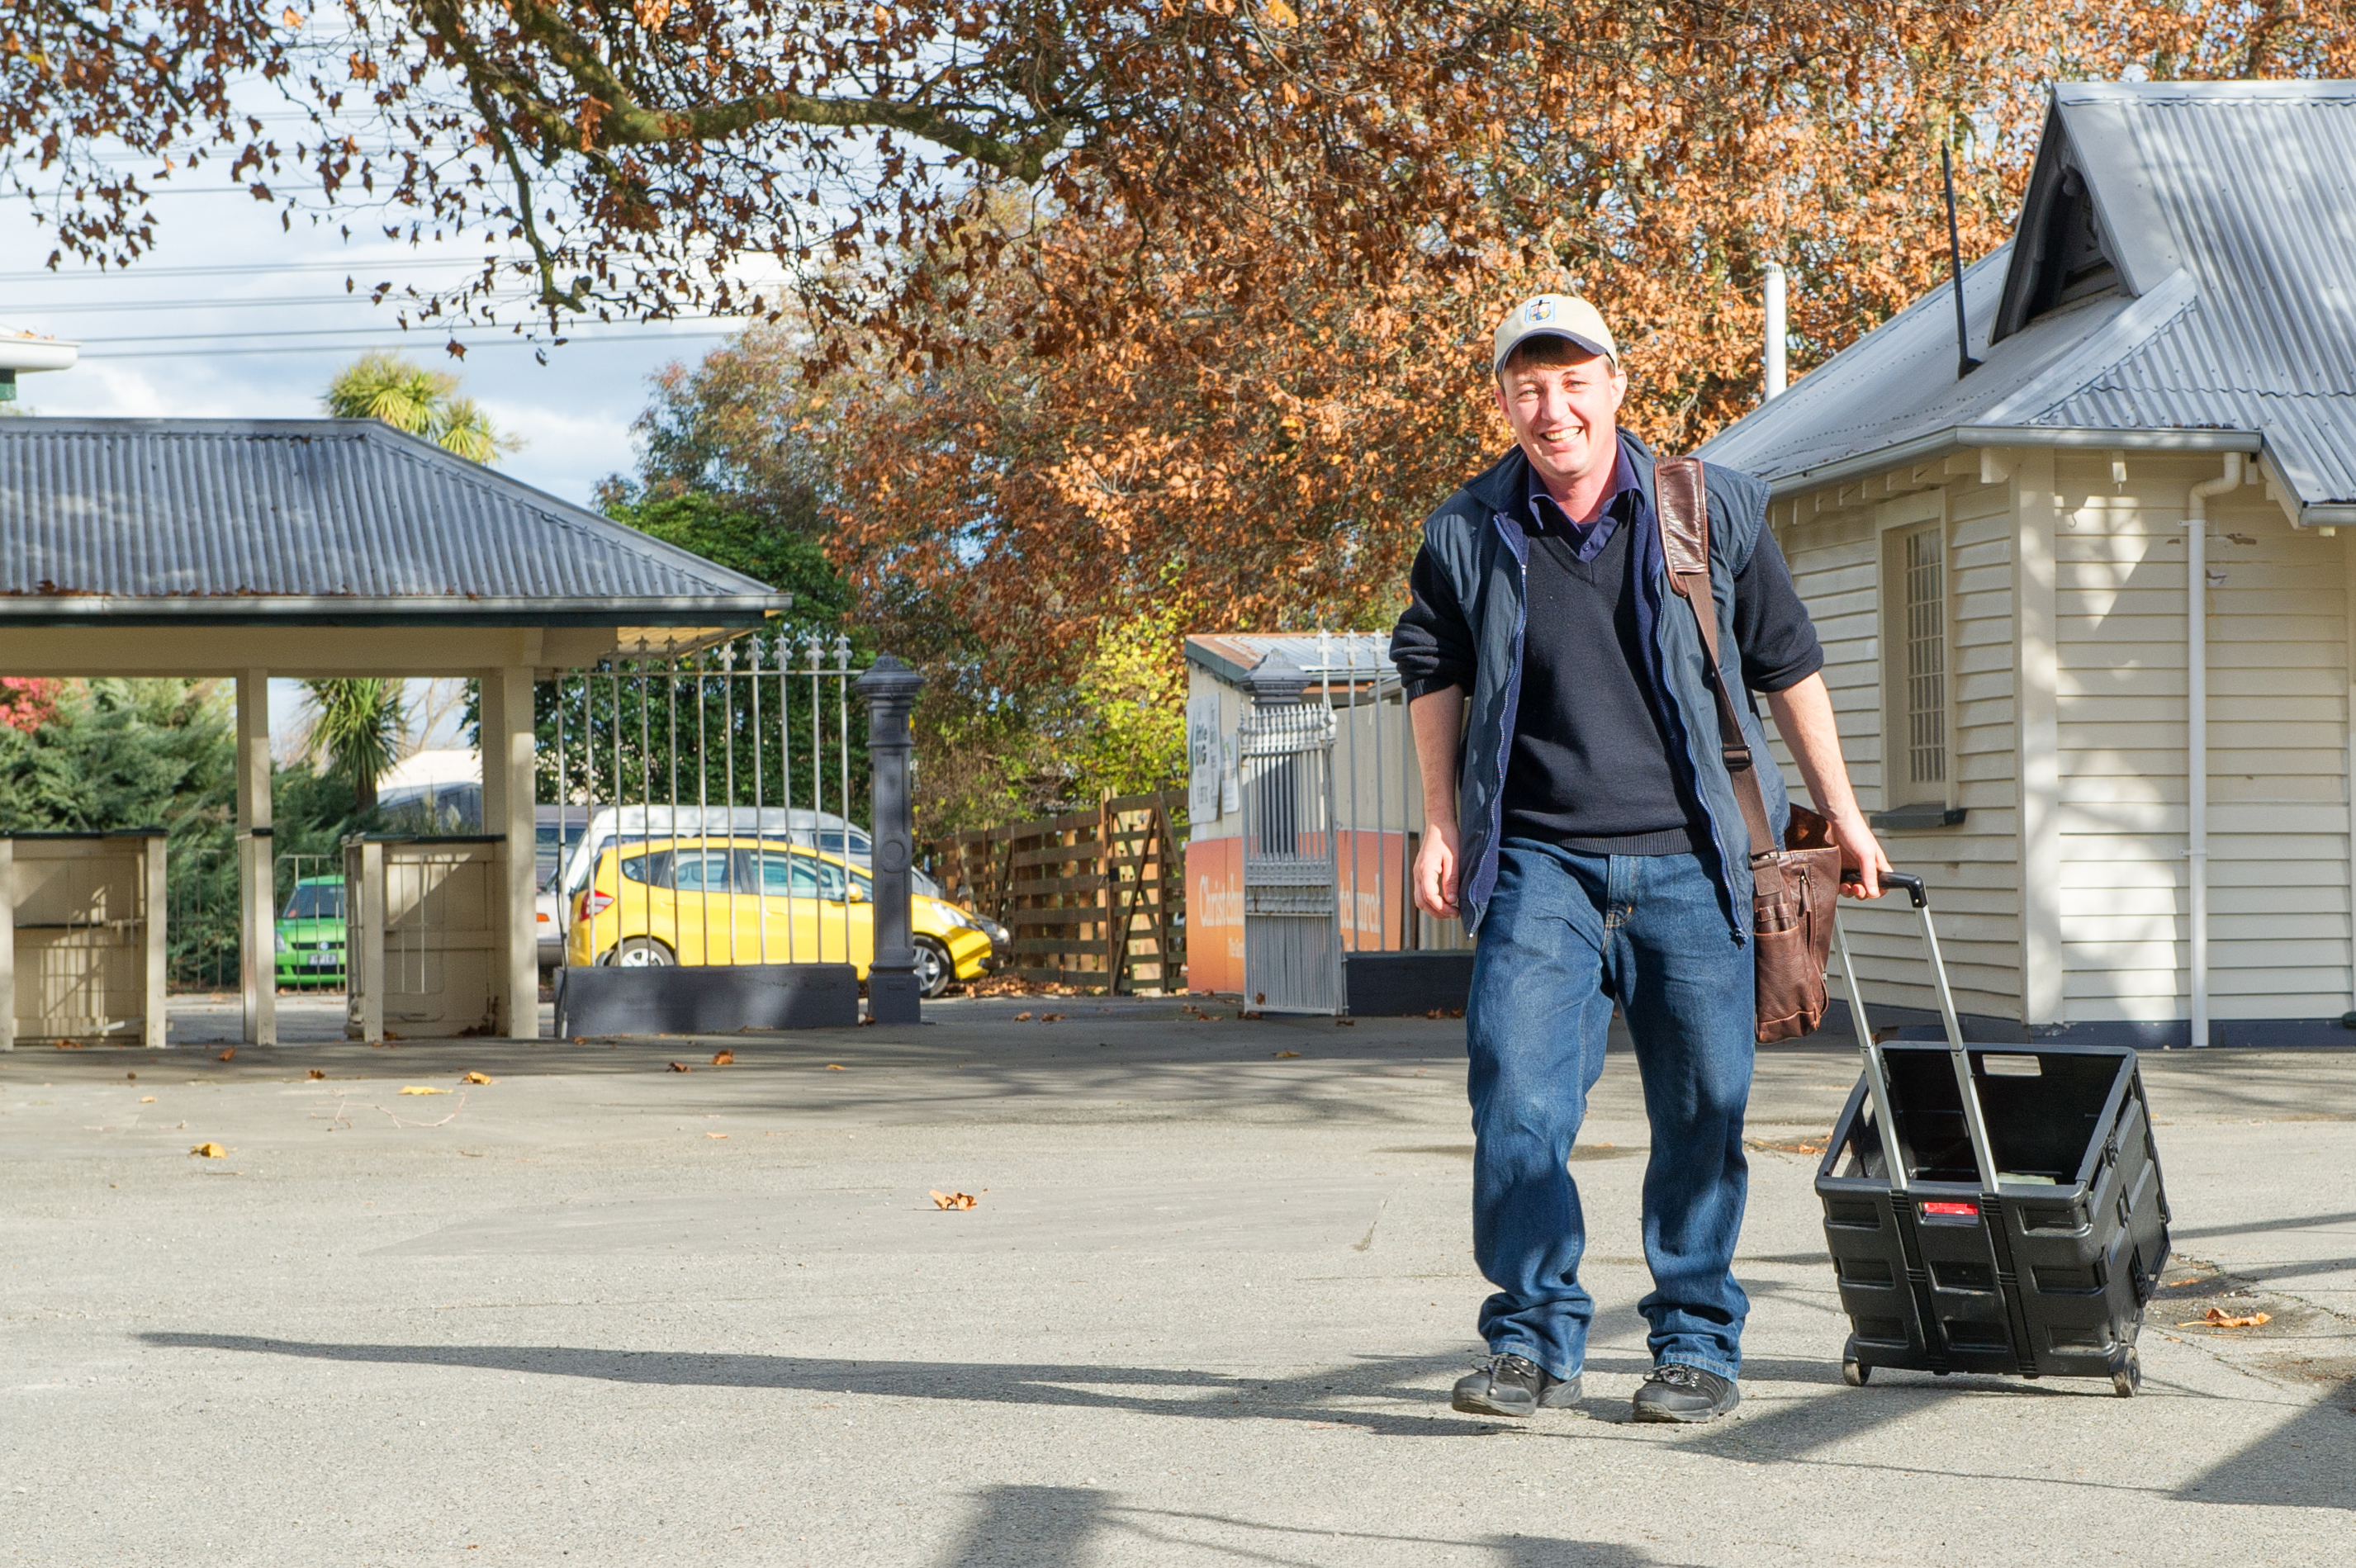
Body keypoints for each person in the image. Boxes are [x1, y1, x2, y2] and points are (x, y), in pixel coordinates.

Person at [1389, 294, 1890, 1424]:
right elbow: (1430, 669)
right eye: (1528, 387)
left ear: (1616, 386)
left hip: (1695, 866)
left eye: (1573, 382)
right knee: (1517, 1105)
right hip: (1539, 868)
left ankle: (1696, 1345)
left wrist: (1842, 812)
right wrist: (1440, 821)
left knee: (1704, 1111)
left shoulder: (1708, 511)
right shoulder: (1467, 528)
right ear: (1503, 401)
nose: (1551, 408)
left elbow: (1787, 661)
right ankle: (1527, 1341)